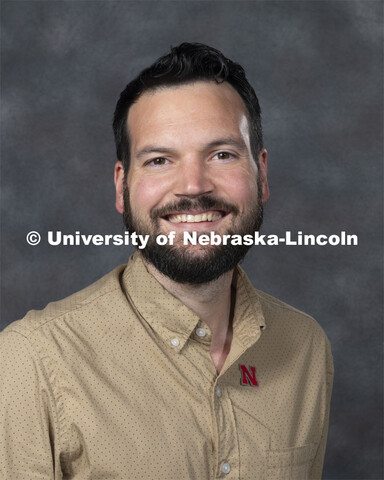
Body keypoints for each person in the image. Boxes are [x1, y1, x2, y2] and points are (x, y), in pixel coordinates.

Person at [0, 43, 333, 479]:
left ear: (262, 175)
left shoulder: (306, 348)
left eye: (222, 155)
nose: (193, 185)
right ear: (122, 187)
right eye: (159, 160)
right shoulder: (30, 361)